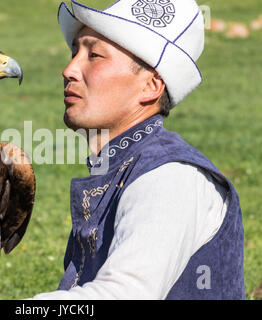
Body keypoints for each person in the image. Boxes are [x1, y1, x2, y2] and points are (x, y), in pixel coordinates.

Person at [32, 0, 245, 299]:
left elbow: (124, 295)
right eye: (73, 53)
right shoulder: (123, 166)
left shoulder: (170, 177)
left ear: (150, 87)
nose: (69, 70)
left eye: (94, 55)